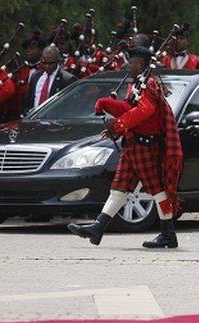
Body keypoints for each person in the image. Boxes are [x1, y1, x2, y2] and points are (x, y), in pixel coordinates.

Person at [70, 46, 184, 248]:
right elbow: (131, 110)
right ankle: (98, 227)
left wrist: (120, 125)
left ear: (141, 64)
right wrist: (110, 113)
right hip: (132, 145)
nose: (128, 66)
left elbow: (146, 111)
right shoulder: (137, 85)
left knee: (157, 190)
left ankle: (168, 234)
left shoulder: (149, 84)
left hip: (145, 147)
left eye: (132, 62)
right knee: (119, 188)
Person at [24, 44, 76, 113]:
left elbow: (71, 105)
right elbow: (29, 101)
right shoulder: (35, 77)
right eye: (44, 63)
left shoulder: (67, 79)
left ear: (58, 61)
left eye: (51, 63)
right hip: (35, 120)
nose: (47, 66)